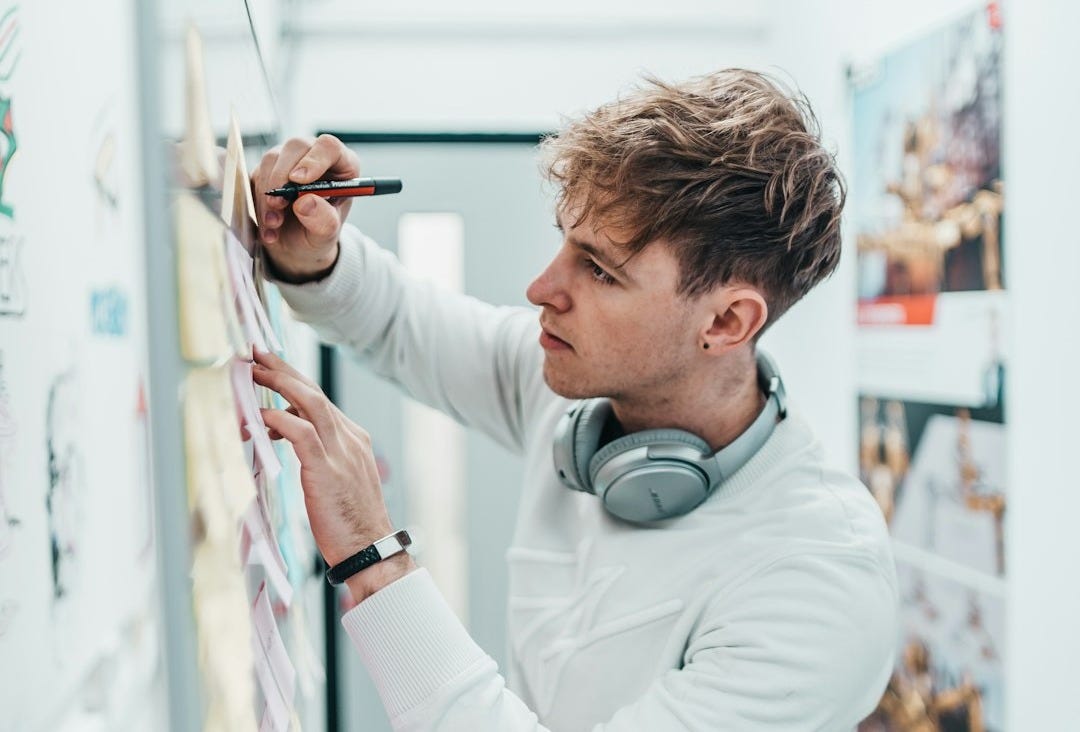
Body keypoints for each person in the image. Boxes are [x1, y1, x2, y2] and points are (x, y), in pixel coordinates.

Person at [250, 69, 899, 730]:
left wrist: (371, 555)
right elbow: (396, 323)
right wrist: (311, 253)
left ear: (726, 323)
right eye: (565, 242)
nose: (540, 287)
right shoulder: (576, 390)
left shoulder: (817, 581)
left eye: (598, 269)